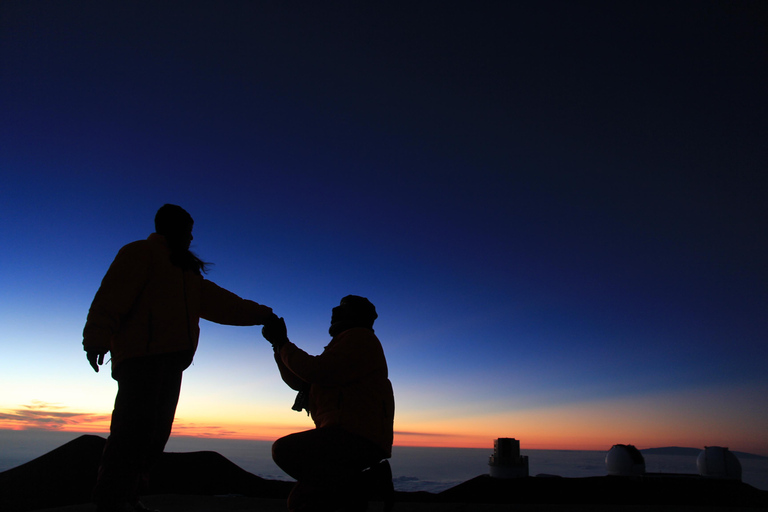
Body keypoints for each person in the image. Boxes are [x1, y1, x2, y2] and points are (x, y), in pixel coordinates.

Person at [83, 204, 276, 512]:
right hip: (141, 358)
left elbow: (225, 304)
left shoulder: (184, 272)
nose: (191, 236)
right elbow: (110, 297)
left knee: (155, 434)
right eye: (187, 229)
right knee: (131, 432)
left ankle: (129, 496)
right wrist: (95, 338)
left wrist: (263, 315)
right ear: (170, 227)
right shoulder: (140, 253)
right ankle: (110, 499)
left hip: (171, 361)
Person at [262, 296, 395, 512]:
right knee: (301, 501)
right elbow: (300, 381)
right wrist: (278, 345)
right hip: (348, 433)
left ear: (357, 315)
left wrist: (283, 342)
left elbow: (316, 371)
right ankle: (361, 488)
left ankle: (367, 483)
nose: (334, 310)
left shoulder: (360, 338)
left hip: (356, 435)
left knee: (285, 450)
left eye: (343, 308)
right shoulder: (344, 343)